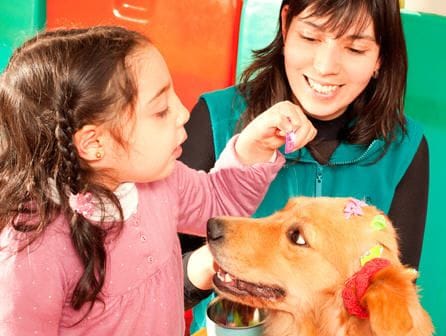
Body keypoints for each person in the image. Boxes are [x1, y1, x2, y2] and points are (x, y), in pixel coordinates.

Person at [0, 26, 317, 335]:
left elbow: (217, 200)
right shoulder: (31, 252)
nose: (182, 113)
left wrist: (255, 146)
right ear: (94, 144)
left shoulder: (158, 181)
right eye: (161, 109)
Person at [180, 0, 429, 332]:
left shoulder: (405, 147)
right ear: (286, 25)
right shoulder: (215, 119)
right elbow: (146, 279)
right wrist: (207, 263)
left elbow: (395, 303)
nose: (326, 67)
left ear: (380, 55)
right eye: (311, 38)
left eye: (354, 48)